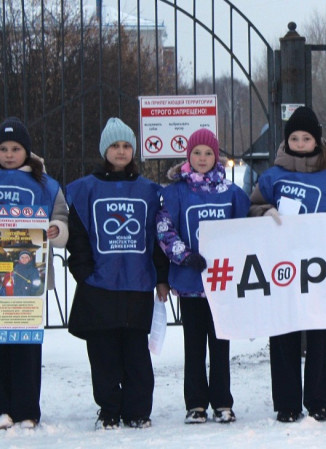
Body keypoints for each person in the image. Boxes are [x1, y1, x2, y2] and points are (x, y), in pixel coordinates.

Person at [249, 106, 326, 423]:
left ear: (316, 141)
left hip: (319, 274)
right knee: (282, 337)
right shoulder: (272, 178)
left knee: (318, 339)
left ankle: (318, 401)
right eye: (294, 137)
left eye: (305, 137)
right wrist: (265, 211)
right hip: (279, 273)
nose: (299, 142)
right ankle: (286, 403)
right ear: (287, 141)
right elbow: (251, 208)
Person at [66, 117, 170, 430]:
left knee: (136, 353)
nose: (121, 151)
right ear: (104, 151)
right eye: (115, 145)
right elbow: (78, 236)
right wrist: (84, 271)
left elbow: (158, 238)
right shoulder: (85, 189)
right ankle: (109, 409)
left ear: (133, 150)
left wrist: (161, 277)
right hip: (99, 287)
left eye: (126, 145)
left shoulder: (149, 191)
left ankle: (137, 410)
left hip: (137, 285)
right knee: (104, 354)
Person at [157, 129, 250, 424]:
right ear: (188, 156)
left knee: (221, 346)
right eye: (196, 153)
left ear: (216, 157)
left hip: (221, 284)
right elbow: (164, 229)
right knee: (194, 347)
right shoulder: (175, 193)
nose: (202, 158)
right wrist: (184, 255)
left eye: (208, 153)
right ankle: (195, 403)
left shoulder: (231, 193)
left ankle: (223, 402)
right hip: (190, 285)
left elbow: (245, 230)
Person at [0, 117, 69, 430]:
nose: (9, 154)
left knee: (26, 344)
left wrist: (57, 230)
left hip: (29, 281)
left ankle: (27, 409)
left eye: (15, 148)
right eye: (3, 148)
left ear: (26, 151)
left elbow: (61, 221)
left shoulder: (46, 184)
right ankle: (3, 408)